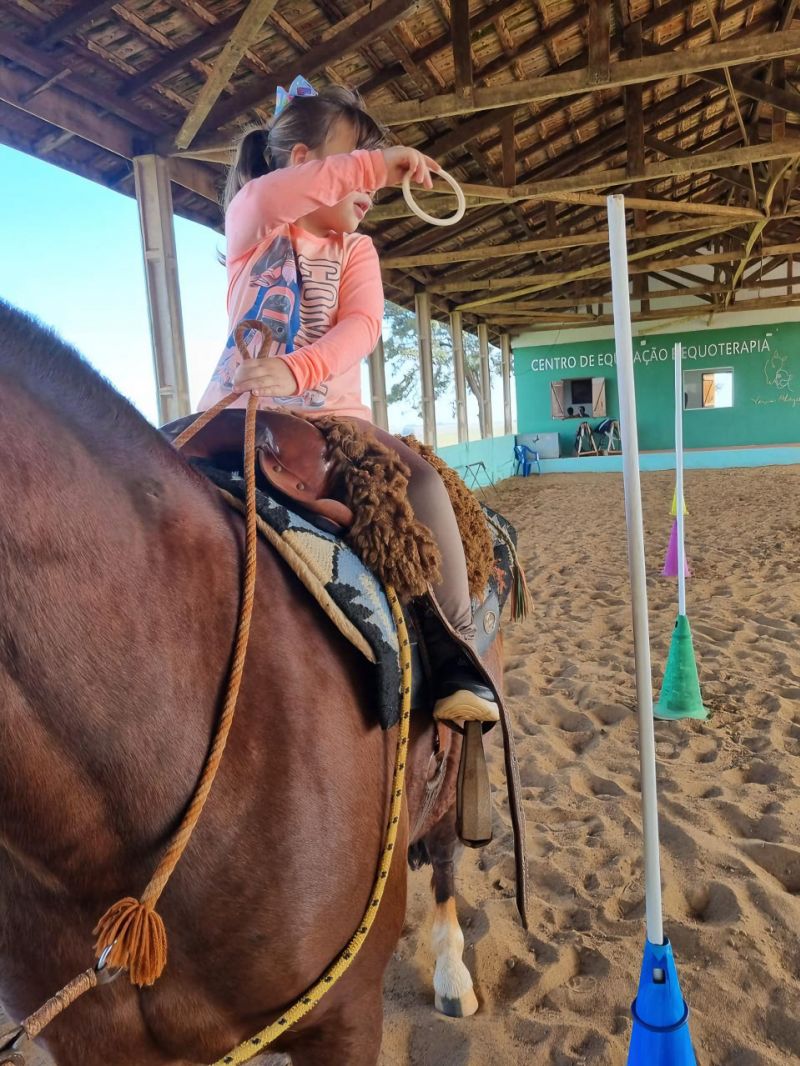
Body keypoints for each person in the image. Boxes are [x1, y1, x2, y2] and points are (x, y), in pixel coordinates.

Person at [199, 78, 497, 725]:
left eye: (371, 170)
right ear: (304, 163)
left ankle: (456, 651)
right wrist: (377, 164)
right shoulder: (255, 221)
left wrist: (296, 368)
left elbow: (361, 327)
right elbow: (272, 193)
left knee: (419, 485)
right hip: (239, 416)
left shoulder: (356, 250)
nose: (370, 185)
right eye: (353, 163)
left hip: (333, 422)